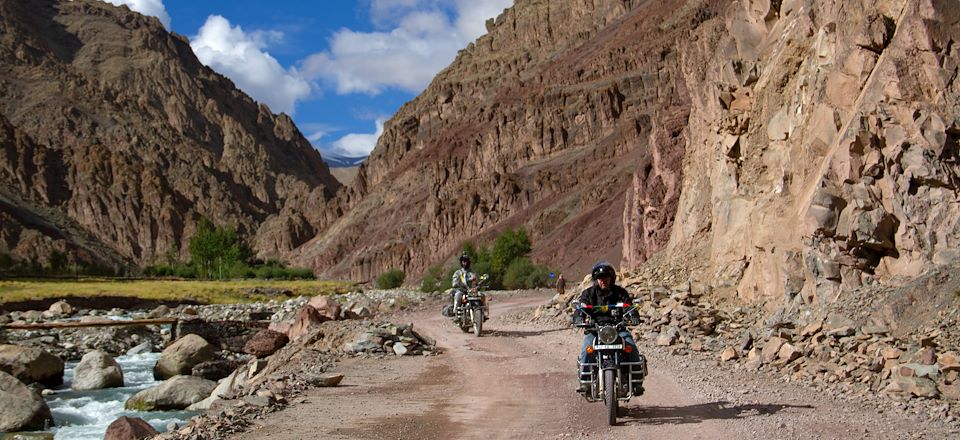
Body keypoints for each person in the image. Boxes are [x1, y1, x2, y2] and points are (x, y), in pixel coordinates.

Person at [574, 262, 642, 394]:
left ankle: (636, 381)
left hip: (618, 328)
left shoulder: (620, 293)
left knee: (630, 347)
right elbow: (581, 307)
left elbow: (628, 305)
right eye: (600, 278)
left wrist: (633, 314)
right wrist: (578, 317)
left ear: (611, 278)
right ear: (595, 279)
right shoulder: (588, 293)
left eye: (606, 277)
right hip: (595, 329)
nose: (603, 280)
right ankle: (585, 382)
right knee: (587, 350)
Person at [451, 253, 486, 320]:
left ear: (469, 262)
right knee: (458, 296)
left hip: (472, 290)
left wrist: (481, 281)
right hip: (462, 290)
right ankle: (456, 314)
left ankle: (483, 313)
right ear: (461, 262)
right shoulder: (458, 272)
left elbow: (478, 279)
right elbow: (454, 281)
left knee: (482, 295)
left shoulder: (473, 272)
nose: (465, 263)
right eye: (463, 261)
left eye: (466, 261)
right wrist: (456, 283)